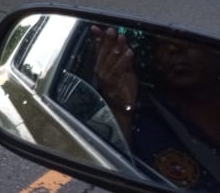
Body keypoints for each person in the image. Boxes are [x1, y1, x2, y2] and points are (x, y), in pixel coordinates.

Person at [92, 25, 220, 190]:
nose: (173, 47)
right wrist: (120, 107)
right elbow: (109, 172)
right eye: (161, 43)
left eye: (189, 37)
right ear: (157, 61)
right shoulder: (143, 124)